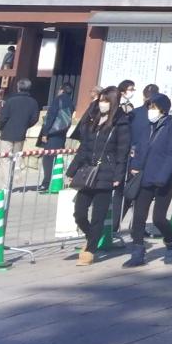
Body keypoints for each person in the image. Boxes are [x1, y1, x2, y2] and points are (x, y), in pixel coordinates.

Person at [67, 87, 131, 265]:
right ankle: (92, 237)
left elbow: (122, 152)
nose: (102, 103)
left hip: (106, 173)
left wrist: (118, 175)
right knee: (79, 213)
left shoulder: (121, 122)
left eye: (105, 100)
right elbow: (83, 149)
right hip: (88, 172)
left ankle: (90, 250)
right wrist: (71, 171)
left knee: (98, 216)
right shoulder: (92, 120)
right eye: (101, 100)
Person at [126, 91, 172, 266]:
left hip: (164, 179)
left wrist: (163, 177)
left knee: (159, 217)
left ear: (163, 109)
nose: (150, 110)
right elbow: (140, 147)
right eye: (149, 107)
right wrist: (134, 166)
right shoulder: (148, 126)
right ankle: (137, 251)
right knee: (139, 216)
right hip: (145, 176)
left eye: (154, 107)